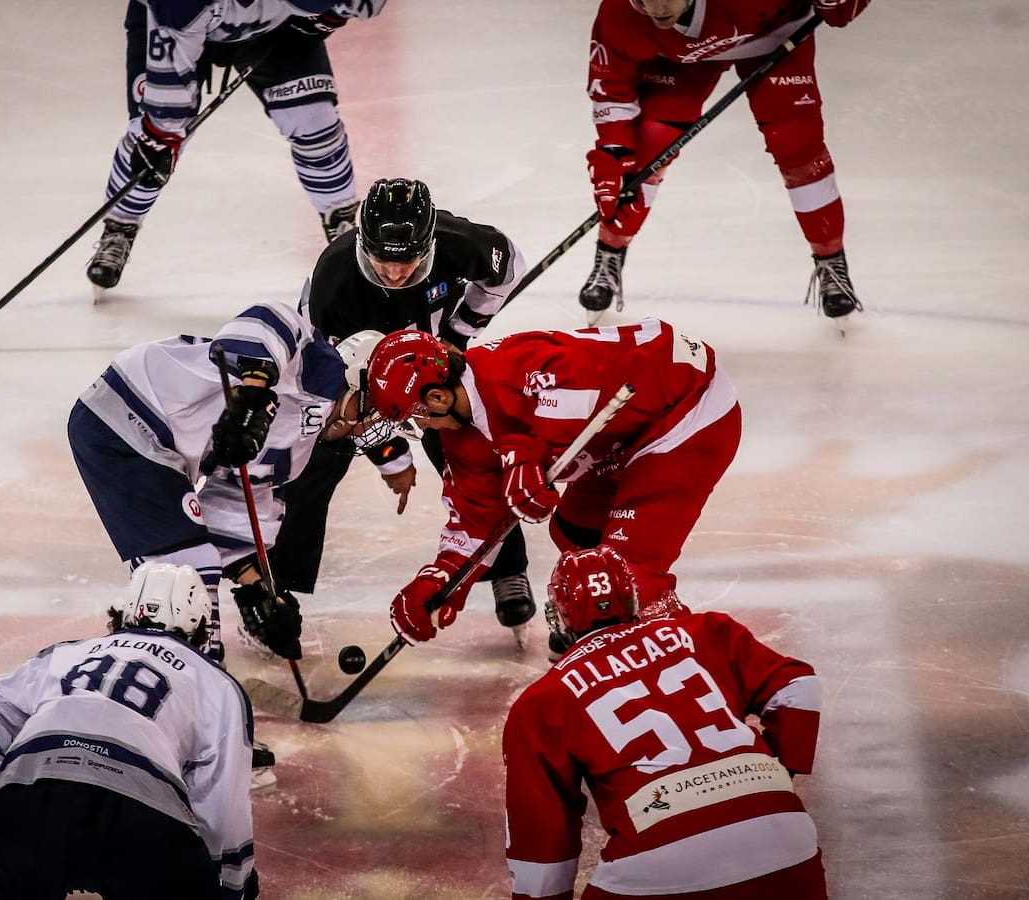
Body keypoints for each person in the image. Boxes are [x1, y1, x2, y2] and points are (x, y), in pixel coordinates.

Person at [364, 320, 740, 654]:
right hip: (622, 436)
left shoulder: (509, 368)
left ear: (437, 397)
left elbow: (577, 377)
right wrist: (442, 579)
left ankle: (681, 664)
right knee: (575, 534)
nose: (423, 427)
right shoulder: (462, 439)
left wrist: (529, 454)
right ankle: (605, 633)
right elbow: (473, 519)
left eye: (417, 417)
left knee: (629, 573)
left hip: (686, 408)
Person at [268, 177, 539, 640]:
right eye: (382, 261)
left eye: (408, 260)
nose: (394, 273)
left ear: (430, 242)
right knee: (314, 457)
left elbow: (509, 265)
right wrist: (381, 445)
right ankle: (279, 589)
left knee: (468, 446)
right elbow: (314, 375)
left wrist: (460, 330)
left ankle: (507, 566)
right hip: (356, 374)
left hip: (430, 363)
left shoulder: (460, 243)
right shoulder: (332, 280)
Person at [67, 300, 396, 661]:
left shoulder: (297, 454)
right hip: (127, 413)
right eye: (375, 412)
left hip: (161, 453)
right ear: (356, 383)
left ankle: (183, 668)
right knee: (182, 568)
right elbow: (269, 318)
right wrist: (254, 393)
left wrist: (258, 593)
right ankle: (179, 672)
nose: (371, 427)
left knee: (191, 565)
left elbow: (229, 514)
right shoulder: (320, 371)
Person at [503, 546, 826, 899]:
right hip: (786, 844)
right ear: (633, 597)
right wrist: (778, 774)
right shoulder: (707, 630)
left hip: (655, 870)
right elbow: (800, 687)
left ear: (561, 615)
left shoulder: (540, 701)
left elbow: (540, 842)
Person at [0, 562, 260, 899]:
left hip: (34, 795)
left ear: (123, 613)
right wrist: (231, 885)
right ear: (200, 629)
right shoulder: (218, 684)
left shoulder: (67, 654)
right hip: (143, 816)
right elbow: (224, 810)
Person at [578, 0, 870, 324]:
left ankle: (832, 261)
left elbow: (840, 10)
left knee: (798, 146)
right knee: (647, 149)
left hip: (771, 36)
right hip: (678, 57)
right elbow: (610, 89)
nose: (658, 7)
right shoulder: (621, 13)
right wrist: (614, 150)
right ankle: (610, 253)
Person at [85, 0, 387, 294]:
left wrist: (329, 16)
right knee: (153, 142)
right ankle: (121, 225)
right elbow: (165, 111)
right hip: (173, 25)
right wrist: (159, 135)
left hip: (279, 26)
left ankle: (342, 221)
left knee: (314, 121)